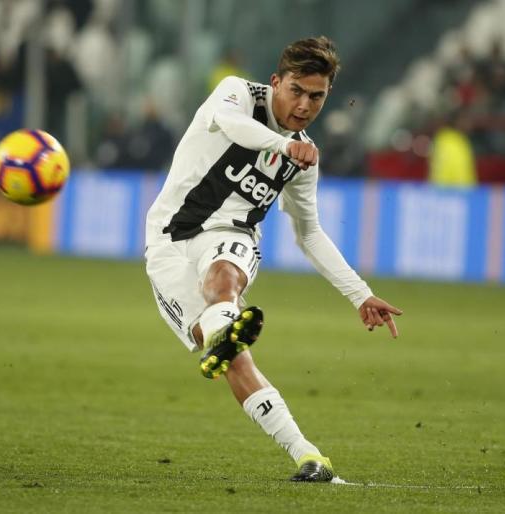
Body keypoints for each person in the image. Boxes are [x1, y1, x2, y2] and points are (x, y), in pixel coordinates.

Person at [144, 36, 403, 482]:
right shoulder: (238, 94)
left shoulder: (304, 157)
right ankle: (306, 451)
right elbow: (232, 125)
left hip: (231, 235)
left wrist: (360, 294)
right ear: (275, 82)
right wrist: (284, 147)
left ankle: (308, 456)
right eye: (296, 91)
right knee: (229, 355)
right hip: (167, 242)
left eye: (316, 96)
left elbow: (309, 233)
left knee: (224, 278)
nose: (304, 105)